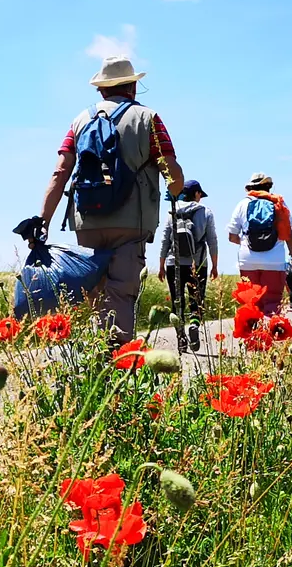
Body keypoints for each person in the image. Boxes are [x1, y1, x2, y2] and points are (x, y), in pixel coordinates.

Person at [20, 56, 183, 344]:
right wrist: (174, 187)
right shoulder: (148, 118)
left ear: (101, 90)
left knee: (93, 293)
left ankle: (95, 361)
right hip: (132, 221)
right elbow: (172, 172)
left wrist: (42, 221)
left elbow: (60, 173)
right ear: (133, 86)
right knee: (120, 293)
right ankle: (116, 365)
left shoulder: (80, 121)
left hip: (87, 220)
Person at [156, 179, 217, 353]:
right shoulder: (206, 212)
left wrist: (161, 265)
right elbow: (212, 240)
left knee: (177, 302)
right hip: (197, 265)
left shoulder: (172, 211)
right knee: (196, 300)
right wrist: (214, 265)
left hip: (172, 263)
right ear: (196, 194)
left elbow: (165, 240)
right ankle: (194, 326)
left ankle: (180, 335)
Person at [226, 173, 292, 315]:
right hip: (274, 261)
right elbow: (289, 236)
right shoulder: (278, 203)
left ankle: (253, 335)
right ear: (269, 187)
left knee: (251, 303)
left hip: (247, 261)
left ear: (250, 188)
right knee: (272, 303)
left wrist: (246, 244)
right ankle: (270, 334)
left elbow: (232, 236)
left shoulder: (242, 204)